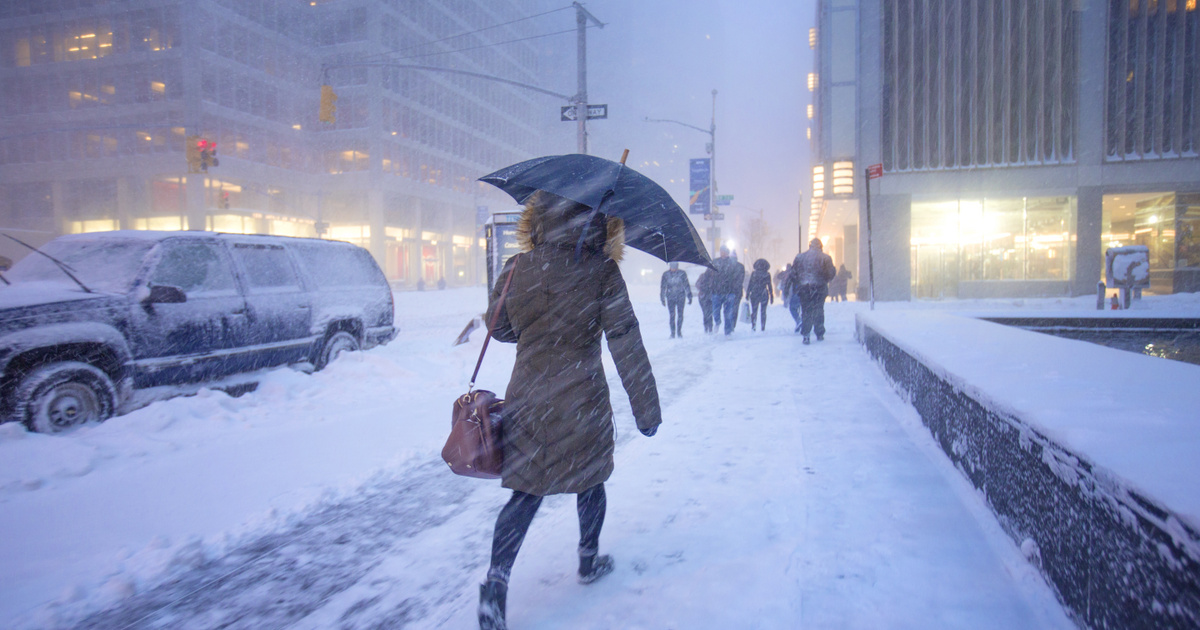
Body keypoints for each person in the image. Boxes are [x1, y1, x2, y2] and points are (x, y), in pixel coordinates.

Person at [479, 191, 662, 630]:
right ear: (600, 222)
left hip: (528, 397)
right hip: (582, 396)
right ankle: (588, 560)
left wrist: (538, 326)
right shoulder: (602, 272)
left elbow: (498, 327)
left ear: (540, 218)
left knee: (525, 491)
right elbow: (625, 339)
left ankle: (495, 584)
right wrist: (646, 410)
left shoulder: (518, 267)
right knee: (591, 477)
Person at [791, 237, 836, 344]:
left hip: (804, 288)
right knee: (819, 310)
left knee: (806, 311)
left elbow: (794, 273)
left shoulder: (800, 257)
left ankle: (806, 334)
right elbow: (831, 274)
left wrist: (800, 282)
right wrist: (824, 279)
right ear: (821, 246)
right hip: (819, 287)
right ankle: (819, 332)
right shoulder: (826, 258)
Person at [711, 246, 745, 336]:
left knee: (728, 313)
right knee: (715, 311)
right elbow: (711, 275)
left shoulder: (732, 263)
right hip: (717, 291)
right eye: (721, 251)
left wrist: (734, 287)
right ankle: (717, 322)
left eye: (724, 251)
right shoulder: (715, 262)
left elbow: (736, 277)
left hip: (729, 292)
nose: (722, 253)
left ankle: (728, 331)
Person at [660, 262, 692, 338]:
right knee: (672, 315)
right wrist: (662, 298)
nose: (673, 268)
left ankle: (679, 331)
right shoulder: (666, 274)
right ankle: (673, 332)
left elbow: (686, 285)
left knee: (680, 314)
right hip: (670, 297)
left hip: (680, 296)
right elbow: (663, 287)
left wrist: (689, 296)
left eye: (675, 267)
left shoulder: (682, 273)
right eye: (672, 267)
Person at [746, 258, 774, 331]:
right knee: (763, 311)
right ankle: (763, 326)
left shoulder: (754, 274)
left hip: (754, 294)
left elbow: (750, 284)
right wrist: (771, 295)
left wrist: (747, 294)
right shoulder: (767, 274)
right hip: (764, 294)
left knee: (754, 311)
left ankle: (754, 324)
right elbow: (769, 285)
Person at [695, 267, 715, 333]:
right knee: (706, 313)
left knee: (708, 313)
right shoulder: (703, 277)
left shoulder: (713, 277)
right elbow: (697, 284)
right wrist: (706, 288)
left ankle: (709, 327)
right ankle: (707, 327)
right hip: (704, 297)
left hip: (708, 297)